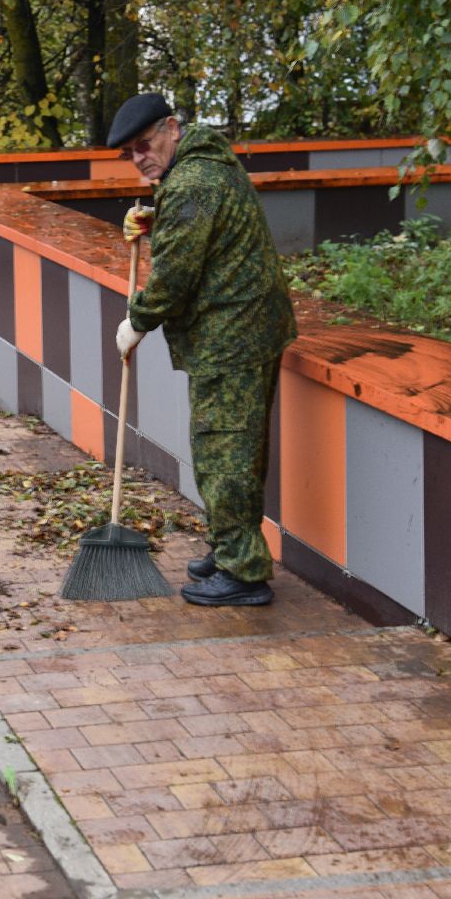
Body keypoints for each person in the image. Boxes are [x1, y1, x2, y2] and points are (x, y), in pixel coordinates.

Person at [109, 92, 296, 607]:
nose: (139, 159)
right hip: (248, 325)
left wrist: (137, 321)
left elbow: (174, 278)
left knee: (224, 452)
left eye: (144, 145)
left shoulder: (192, 181)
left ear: (171, 127)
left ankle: (242, 571)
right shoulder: (203, 163)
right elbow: (203, 233)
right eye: (130, 153)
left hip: (231, 334)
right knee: (237, 448)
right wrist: (158, 222)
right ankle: (232, 545)